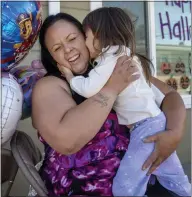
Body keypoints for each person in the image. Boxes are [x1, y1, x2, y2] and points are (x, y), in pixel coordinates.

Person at [32, 12, 187, 196]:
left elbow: (170, 95)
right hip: (85, 188)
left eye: (72, 39)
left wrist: (174, 133)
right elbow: (67, 141)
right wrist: (112, 87)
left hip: (141, 179)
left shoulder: (111, 64)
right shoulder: (49, 85)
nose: (68, 50)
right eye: (57, 48)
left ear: (88, 37)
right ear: (52, 58)